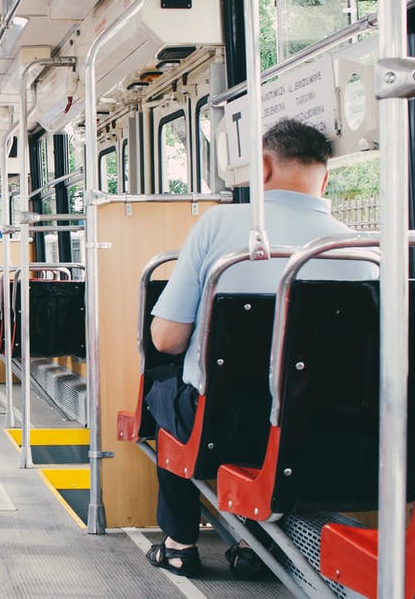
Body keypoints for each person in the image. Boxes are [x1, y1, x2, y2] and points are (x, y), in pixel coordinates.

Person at [145, 119, 377, 577]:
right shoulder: (360, 249)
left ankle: (179, 542)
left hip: (225, 422)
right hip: (325, 429)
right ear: (324, 177)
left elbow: (167, 339)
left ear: (264, 167)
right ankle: (257, 545)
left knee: (162, 394)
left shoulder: (220, 226)